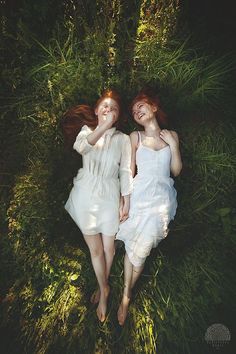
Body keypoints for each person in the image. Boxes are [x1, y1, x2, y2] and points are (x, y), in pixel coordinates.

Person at [62, 90, 133, 322]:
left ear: (119, 115)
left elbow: (125, 171)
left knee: (109, 249)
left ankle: (103, 285)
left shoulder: (123, 139)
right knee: (95, 250)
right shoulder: (87, 132)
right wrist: (102, 127)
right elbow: (81, 148)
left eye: (113, 108)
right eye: (105, 106)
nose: (108, 110)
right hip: (86, 192)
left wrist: (126, 199)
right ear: (96, 110)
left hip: (110, 193)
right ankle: (104, 290)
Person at [116, 90, 182, 325]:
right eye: (134, 111)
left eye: (141, 106)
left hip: (161, 200)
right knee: (133, 245)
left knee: (141, 248)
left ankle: (125, 292)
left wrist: (173, 145)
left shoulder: (171, 135)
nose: (137, 112)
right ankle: (125, 295)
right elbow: (128, 171)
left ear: (154, 107)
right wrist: (126, 201)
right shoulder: (135, 136)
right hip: (140, 194)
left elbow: (176, 171)